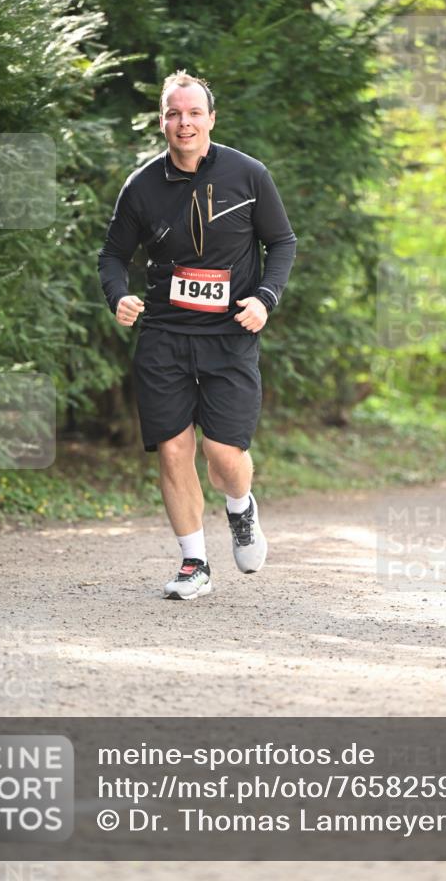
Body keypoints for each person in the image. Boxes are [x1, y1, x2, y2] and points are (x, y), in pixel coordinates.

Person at [98, 70, 296, 600]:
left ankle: (240, 506)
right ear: (162, 120)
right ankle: (194, 562)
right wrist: (118, 295)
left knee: (223, 455)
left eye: (192, 113)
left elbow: (282, 243)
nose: (183, 123)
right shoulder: (141, 186)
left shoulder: (248, 174)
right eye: (173, 113)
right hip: (164, 332)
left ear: (210, 118)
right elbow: (114, 255)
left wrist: (265, 298)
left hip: (229, 334)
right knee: (172, 448)